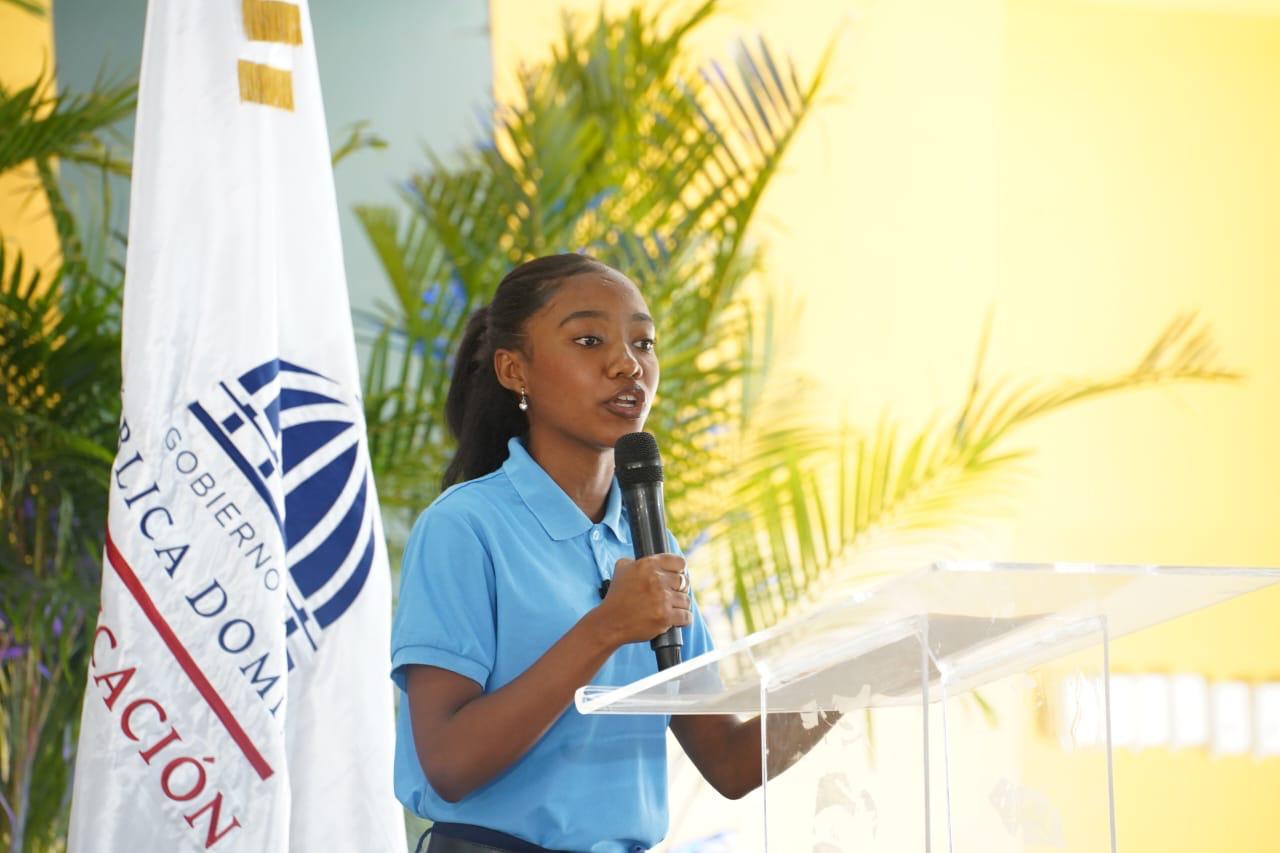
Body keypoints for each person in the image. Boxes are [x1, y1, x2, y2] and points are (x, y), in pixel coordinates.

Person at [390, 254, 837, 853]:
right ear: (513, 369)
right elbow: (448, 762)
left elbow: (729, 762)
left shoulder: (650, 544)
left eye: (644, 343)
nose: (628, 364)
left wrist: (844, 685)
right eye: (589, 339)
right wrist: (606, 627)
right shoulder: (466, 527)